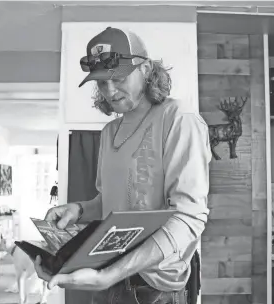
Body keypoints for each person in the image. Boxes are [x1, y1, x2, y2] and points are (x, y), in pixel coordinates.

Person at [34, 26, 212, 304]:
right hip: (107, 278)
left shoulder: (179, 118)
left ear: (146, 68)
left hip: (154, 289)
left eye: (117, 77)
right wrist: (79, 209)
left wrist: (111, 274)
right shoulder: (109, 131)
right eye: (101, 82)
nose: (109, 90)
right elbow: (111, 203)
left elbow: (189, 218)